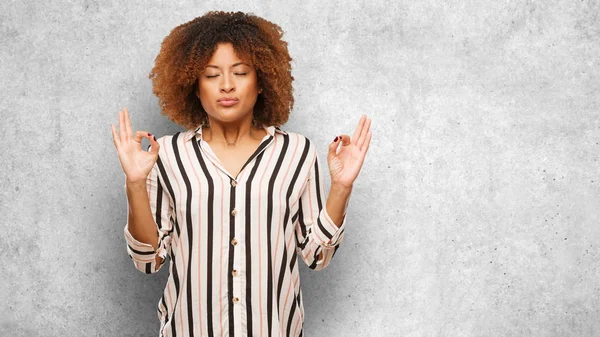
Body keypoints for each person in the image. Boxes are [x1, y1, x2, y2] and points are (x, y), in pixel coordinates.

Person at [111, 11, 371, 337]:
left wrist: (341, 188)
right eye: (210, 75)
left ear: (261, 81)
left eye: (241, 72)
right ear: (193, 85)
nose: (227, 85)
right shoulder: (167, 155)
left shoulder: (297, 153)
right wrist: (135, 183)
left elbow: (316, 255)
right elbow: (148, 261)